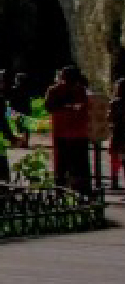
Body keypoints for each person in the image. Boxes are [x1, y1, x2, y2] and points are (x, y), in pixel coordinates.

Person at [44, 65, 94, 194]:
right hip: (78, 133)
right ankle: (82, 191)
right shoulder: (82, 90)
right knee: (80, 164)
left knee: (62, 164)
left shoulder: (54, 90)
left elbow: (49, 107)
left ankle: (61, 190)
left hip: (63, 132)